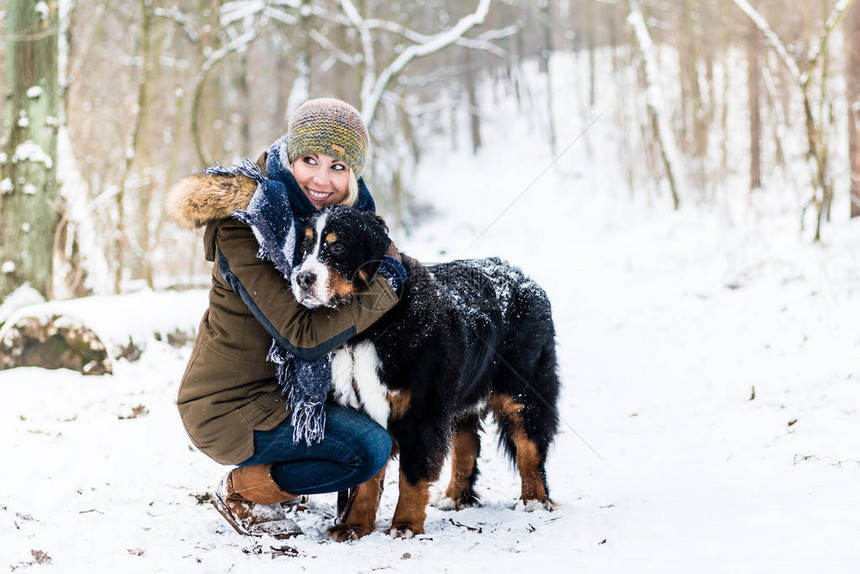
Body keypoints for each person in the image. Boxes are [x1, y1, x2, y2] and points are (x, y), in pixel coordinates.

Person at [166, 98, 404, 539]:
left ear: (354, 174)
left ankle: (290, 479)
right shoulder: (247, 224)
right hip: (228, 405)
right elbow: (304, 337)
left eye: (338, 166)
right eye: (309, 160)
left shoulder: (340, 222)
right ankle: (241, 490)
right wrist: (386, 288)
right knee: (366, 449)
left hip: (283, 395)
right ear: (288, 155)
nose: (321, 178)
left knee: (380, 418)